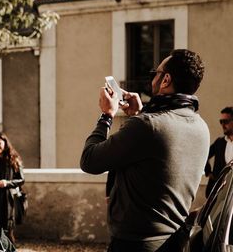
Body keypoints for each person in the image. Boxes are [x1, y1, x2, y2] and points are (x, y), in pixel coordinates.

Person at [80, 49, 210, 252]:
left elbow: (89, 161)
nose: (153, 79)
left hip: (134, 244)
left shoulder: (147, 126)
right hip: (174, 242)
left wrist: (106, 115)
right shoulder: (201, 126)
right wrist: (139, 114)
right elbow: (156, 153)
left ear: (166, 79)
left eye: (155, 74)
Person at [204, 106, 233, 196]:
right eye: (221, 122)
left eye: (226, 121)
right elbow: (203, 155)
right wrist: (208, 172)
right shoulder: (219, 142)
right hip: (218, 191)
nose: (223, 125)